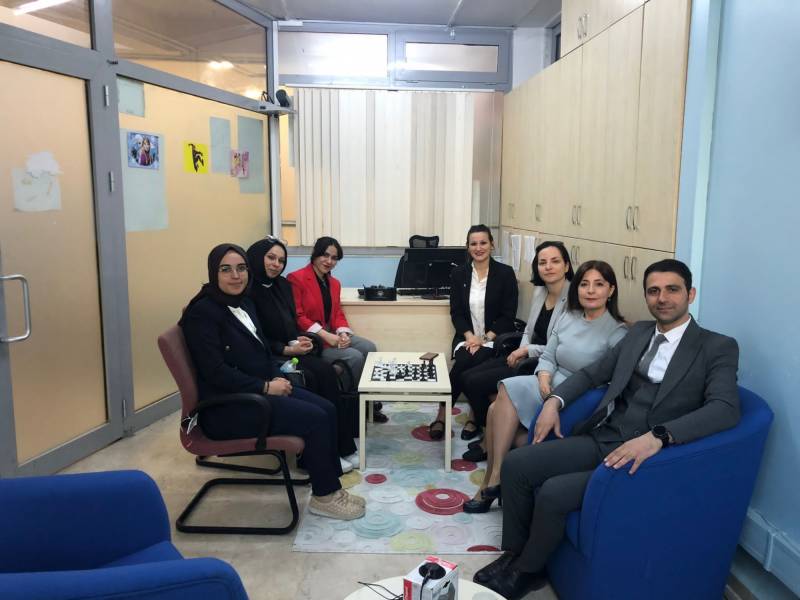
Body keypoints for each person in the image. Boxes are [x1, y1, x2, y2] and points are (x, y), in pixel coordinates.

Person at [474, 259, 741, 599]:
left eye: (672, 290)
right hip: (606, 435)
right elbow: (593, 374)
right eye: (653, 291)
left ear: (690, 294)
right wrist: (554, 401)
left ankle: (528, 572)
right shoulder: (639, 333)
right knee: (517, 464)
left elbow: (725, 408)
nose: (662, 298)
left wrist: (659, 437)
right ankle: (516, 555)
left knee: (554, 492)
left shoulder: (717, 346)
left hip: (648, 458)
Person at [180, 243, 365, 521]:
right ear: (213, 273)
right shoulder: (202, 314)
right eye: (226, 269)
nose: (236, 276)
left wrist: (276, 374)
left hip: (256, 389)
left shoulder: (243, 303)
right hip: (228, 407)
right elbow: (216, 372)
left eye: (241, 268)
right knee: (315, 419)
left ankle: (331, 487)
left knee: (326, 408)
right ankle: (324, 497)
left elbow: (261, 350)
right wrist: (266, 387)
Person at [464, 260, 626, 513]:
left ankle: (491, 482)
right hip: (547, 383)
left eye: (599, 285)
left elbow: (606, 381)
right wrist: (543, 378)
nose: (591, 291)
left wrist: (554, 392)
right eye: (584, 284)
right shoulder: (569, 317)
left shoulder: (617, 332)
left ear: (611, 290)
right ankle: (494, 479)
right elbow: (548, 356)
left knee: (497, 408)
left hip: (576, 398)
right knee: (498, 402)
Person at [246, 236, 360, 473]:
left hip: (292, 346)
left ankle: (342, 445)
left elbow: (289, 322)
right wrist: (289, 347)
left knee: (326, 372)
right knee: (319, 375)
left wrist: (298, 340)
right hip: (273, 355)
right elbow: (259, 335)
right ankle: (319, 454)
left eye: (280, 260)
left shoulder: (279, 285)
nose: (276, 264)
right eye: (271, 258)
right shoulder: (249, 292)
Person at [459, 241, 574, 454]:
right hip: (524, 357)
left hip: (544, 365)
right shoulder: (541, 291)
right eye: (542, 262)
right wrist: (519, 351)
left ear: (566, 266)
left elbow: (560, 346)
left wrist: (526, 352)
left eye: (555, 261)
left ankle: (489, 443)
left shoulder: (573, 300)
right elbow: (528, 331)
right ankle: (492, 433)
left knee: (475, 383)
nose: (548, 267)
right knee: (467, 376)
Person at [429, 225, 518, 440]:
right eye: (473, 244)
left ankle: (447, 414)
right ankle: (471, 416)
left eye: (483, 243)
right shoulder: (459, 273)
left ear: (492, 245)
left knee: (467, 363)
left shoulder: (505, 273)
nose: (479, 248)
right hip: (467, 338)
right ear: (468, 247)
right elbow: (456, 312)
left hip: (494, 339)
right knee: (465, 359)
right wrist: (470, 337)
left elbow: (508, 315)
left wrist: (484, 339)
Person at [287, 237, 386, 421]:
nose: (329, 261)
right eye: (325, 255)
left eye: (334, 258)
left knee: (369, 347)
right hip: (313, 340)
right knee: (354, 357)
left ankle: (367, 400)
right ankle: (348, 405)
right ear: (315, 254)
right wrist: (325, 335)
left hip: (332, 334)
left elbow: (337, 312)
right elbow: (298, 316)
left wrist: (342, 332)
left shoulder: (334, 283)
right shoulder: (296, 278)